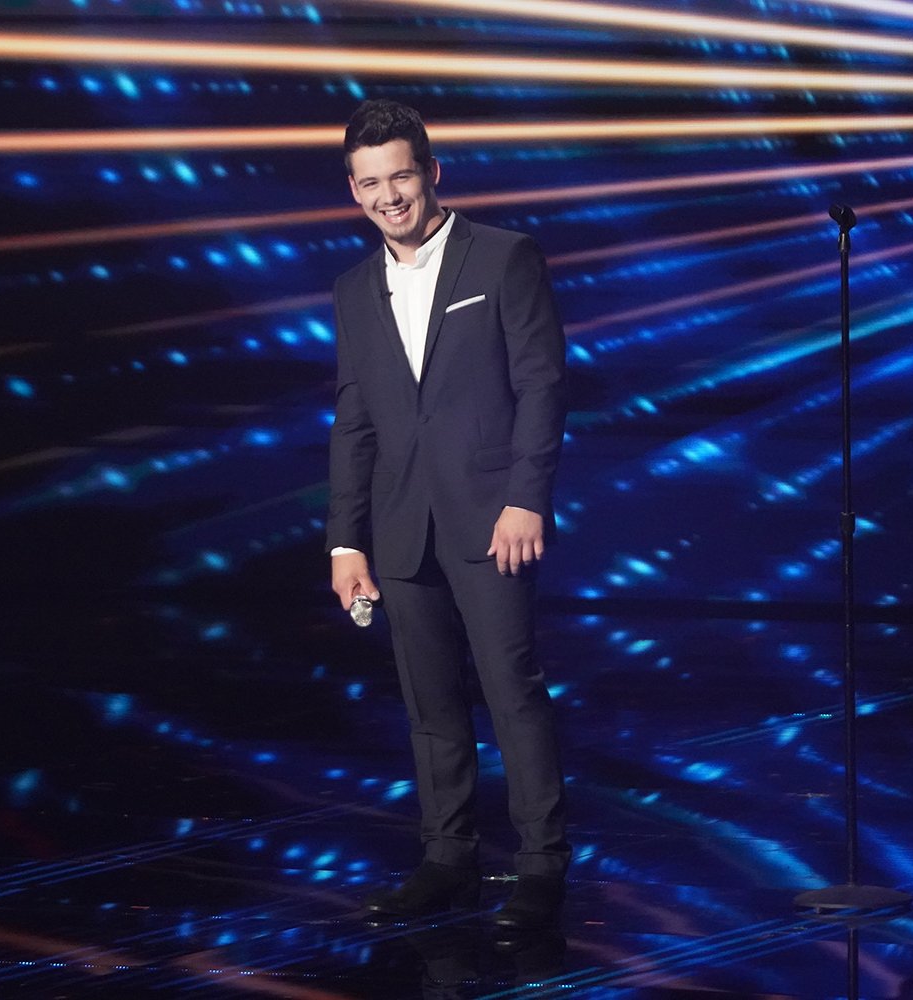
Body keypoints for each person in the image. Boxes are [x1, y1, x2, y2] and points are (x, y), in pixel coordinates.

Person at [326, 99, 571, 930]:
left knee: (511, 692)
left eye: (401, 175)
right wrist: (344, 542)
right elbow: (355, 419)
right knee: (429, 705)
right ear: (353, 191)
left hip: (490, 517)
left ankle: (540, 866)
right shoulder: (353, 288)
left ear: (433, 172)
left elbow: (542, 383)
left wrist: (525, 497)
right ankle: (446, 858)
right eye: (370, 182)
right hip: (400, 528)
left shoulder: (504, 258)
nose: (389, 195)